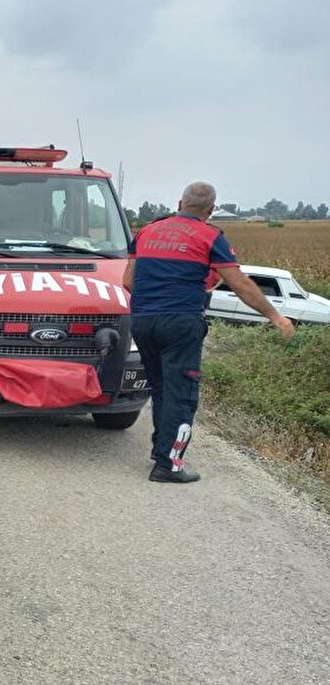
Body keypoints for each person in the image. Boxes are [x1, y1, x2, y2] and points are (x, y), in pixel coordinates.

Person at [122, 182, 293, 484]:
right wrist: (275, 316)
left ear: (180, 203)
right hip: (181, 322)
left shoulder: (147, 231)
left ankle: (161, 449)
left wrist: (155, 299)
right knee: (182, 393)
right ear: (211, 210)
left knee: (161, 388)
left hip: (143, 320)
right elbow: (239, 283)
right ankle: (168, 465)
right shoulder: (210, 236)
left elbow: (128, 281)